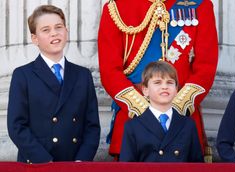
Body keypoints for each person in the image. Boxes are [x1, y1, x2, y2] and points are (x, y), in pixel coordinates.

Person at [97, 0, 218, 161]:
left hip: (182, 122)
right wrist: (144, 111)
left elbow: (205, 68)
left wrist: (175, 108)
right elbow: (110, 71)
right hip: (134, 119)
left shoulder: (200, 5)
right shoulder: (116, 8)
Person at [7, 5, 101, 163]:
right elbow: (17, 126)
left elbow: (92, 126)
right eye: (45, 30)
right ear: (34, 38)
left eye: (59, 27)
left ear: (66, 31)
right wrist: (44, 161)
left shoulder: (83, 75)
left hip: (74, 163)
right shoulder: (23, 75)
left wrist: (81, 161)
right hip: (37, 163)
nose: (54, 33)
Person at [119, 61, 203, 162]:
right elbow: (126, 167)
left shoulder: (188, 125)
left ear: (176, 89)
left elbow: (197, 165)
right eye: (157, 82)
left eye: (170, 82)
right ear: (145, 90)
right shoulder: (133, 127)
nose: (164, 87)